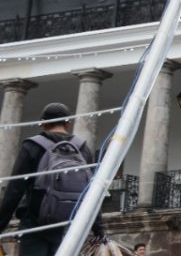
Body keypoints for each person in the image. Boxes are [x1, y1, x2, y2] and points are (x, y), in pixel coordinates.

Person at [0, 103, 105, 256]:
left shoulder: (32, 146)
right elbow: (90, 191)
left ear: (43, 123)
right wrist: (98, 228)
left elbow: (15, 189)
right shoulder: (82, 148)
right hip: (68, 224)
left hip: (36, 222)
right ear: (68, 123)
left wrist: (1, 223)